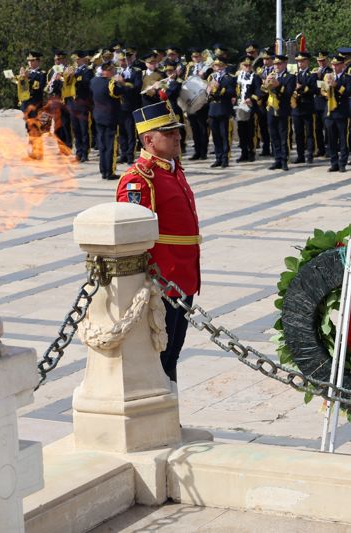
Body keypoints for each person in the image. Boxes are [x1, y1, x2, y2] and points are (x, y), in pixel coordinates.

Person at [116, 100, 201, 383]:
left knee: (172, 352)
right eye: (169, 132)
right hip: (163, 280)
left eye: (177, 130)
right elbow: (133, 239)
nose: (178, 135)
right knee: (160, 356)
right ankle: (157, 416)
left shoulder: (172, 169)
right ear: (149, 139)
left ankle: (168, 414)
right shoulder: (139, 180)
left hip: (183, 276)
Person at [90, 60, 124, 180]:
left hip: (98, 116)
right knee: (111, 145)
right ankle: (110, 171)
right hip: (110, 117)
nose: (115, 72)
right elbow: (119, 93)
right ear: (108, 71)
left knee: (102, 144)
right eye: (113, 70)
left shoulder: (93, 81)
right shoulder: (111, 83)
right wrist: (121, 82)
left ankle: (103, 170)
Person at [322, 54, 351, 172]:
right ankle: (334, 162)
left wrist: (337, 85)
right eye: (333, 65)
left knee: (343, 139)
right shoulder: (328, 76)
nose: (334, 67)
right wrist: (325, 92)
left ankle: (342, 163)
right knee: (331, 139)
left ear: (342, 65)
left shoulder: (347, 78)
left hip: (341, 112)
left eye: (337, 65)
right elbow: (322, 90)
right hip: (330, 112)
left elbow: (349, 92)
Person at [264, 54, 296, 171]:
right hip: (271, 109)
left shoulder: (290, 77)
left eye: (279, 64)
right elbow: (264, 91)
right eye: (275, 64)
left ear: (285, 64)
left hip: (283, 109)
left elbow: (288, 93)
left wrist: (278, 85)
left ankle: (284, 160)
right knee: (274, 135)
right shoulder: (271, 75)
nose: (277, 66)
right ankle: (277, 159)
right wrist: (266, 84)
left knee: (284, 136)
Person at [16, 51, 47, 160]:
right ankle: (32, 150)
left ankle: (38, 152)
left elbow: (39, 87)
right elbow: (22, 88)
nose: (30, 63)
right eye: (29, 61)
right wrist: (21, 78)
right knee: (29, 129)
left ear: (38, 61)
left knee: (36, 129)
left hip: (36, 105)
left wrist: (28, 78)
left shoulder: (41, 74)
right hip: (26, 106)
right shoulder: (27, 72)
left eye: (32, 60)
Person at [207, 57, 237, 168]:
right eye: (216, 66)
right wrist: (209, 91)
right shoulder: (211, 77)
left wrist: (219, 89)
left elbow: (231, 92)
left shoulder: (229, 78)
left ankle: (225, 159)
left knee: (224, 135)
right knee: (215, 136)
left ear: (224, 66)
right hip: (213, 109)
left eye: (220, 66)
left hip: (224, 109)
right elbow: (207, 93)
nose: (218, 68)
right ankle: (218, 158)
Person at [117, 50, 143, 165]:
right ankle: (123, 154)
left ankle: (130, 155)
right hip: (119, 105)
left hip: (131, 104)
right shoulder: (116, 72)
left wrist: (124, 83)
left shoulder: (136, 71)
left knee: (130, 131)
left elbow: (137, 87)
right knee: (121, 131)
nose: (124, 61)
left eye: (126, 59)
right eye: (121, 59)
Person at [185, 48, 211, 160]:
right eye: (194, 57)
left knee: (202, 127)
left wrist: (202, 76)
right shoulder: (189, 67)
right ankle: (197, 151)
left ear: (201, 57)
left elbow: (209, 83)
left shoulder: (207, 67)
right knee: (194, 127)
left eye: (198, 56)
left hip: (201, 100)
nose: (196, 59)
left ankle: (203, 152)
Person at [292, 51, 318, 164]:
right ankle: (300, 155)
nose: (300, 64)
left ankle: (310, 154)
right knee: (298, 133)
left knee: (309, 133)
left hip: (307, 107)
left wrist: (302, 87)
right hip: (297, 108)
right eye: (298, 61)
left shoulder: (312, 75)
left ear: (307, 61)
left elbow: (314, 90)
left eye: (302, 61)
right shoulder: (294, 75)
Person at [69, 50, 94, 163]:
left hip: (83, 103)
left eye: (77, 59)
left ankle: (85, 152)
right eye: (74, 60)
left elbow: (88, 84)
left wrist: (76, 77)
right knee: (75, 129)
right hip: (73, 104)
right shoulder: (72, 70)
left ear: (82, 59)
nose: (75, 61)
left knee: (84, 129)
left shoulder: (87, 71)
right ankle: (78, 151)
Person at [235, 57, 258, 163]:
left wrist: (251, 98)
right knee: (241, 131)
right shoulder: (237, 76)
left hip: (249, 107)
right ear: (241, 66)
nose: (247, 67)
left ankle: (251, 152)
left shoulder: (255, 77)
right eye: (245, 65)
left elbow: (259, 91)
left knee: (250, 131)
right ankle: (243, 153)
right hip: (239, 106)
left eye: (249, 65)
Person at [312, 50, 332, 158]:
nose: (321, 63)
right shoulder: (315, 71)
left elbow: (325, 86)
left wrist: (318, 78)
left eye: (323, 60)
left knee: (327, 127)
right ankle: (320, 148)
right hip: (316, 102)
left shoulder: (329, 71)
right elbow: (313, 87)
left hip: (325, 102)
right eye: (319, 61)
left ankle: (329, 148)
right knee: (317, 128)